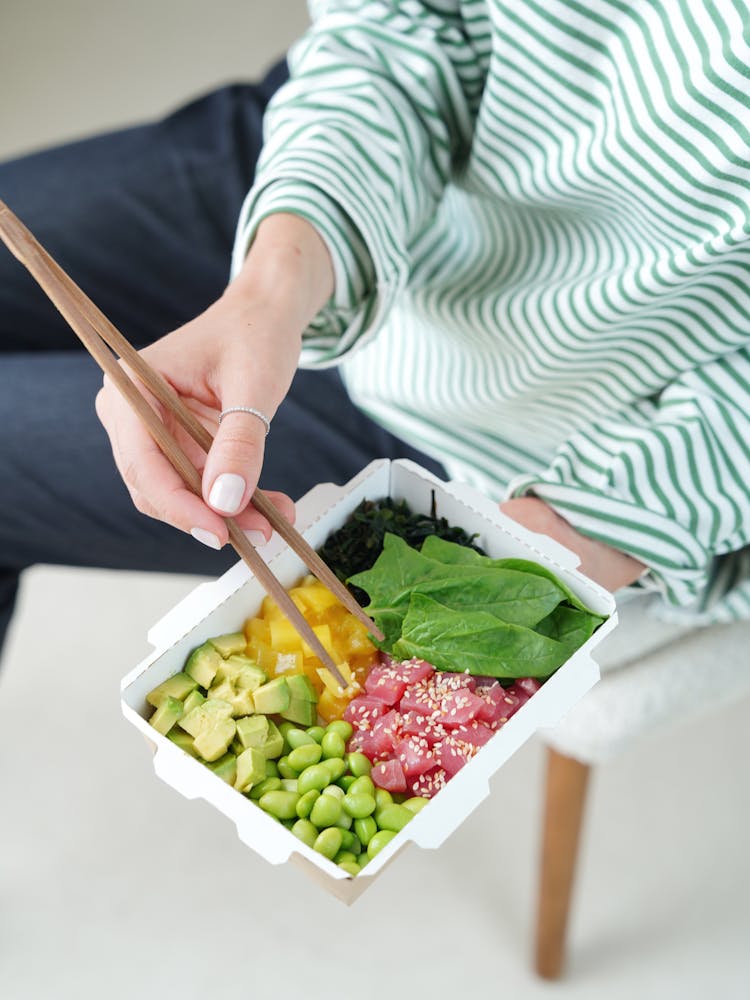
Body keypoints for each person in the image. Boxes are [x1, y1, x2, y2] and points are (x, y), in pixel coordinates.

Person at [2, 1, 749, 665]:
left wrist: (573, 528)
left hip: (514, 439)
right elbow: (414, 19)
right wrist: (271, 286)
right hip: (339, 145)